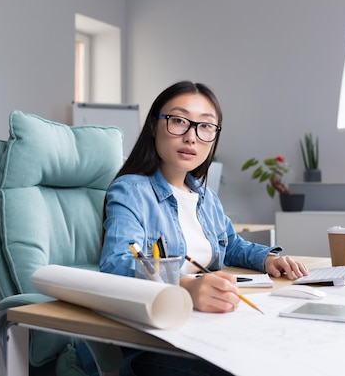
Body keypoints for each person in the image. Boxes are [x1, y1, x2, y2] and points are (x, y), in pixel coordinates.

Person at [80, 80, 309, 375]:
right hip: (158, 339)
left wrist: (268, 258)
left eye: (205, 126)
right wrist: (185, 286)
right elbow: (117, 264)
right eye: (178, 121)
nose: (191, 137)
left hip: (210, 326)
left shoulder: (204, 196)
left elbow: (232, 245)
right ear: (154, 126)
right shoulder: (131, 191)